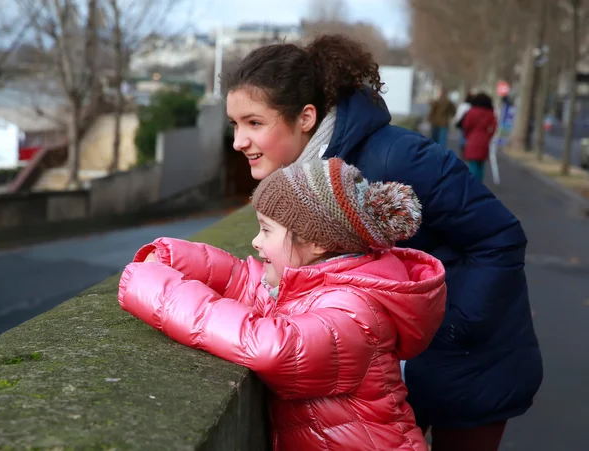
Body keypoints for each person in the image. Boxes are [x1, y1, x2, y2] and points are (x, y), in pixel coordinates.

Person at [225, 34, 543, 451]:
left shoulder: (396, 158)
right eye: (235, 124)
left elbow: (501, 238)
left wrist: (442, 330)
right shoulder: (303, 179)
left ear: (305, 118)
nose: (238, 141)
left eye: (254, 122)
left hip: (471, 365)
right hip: (401, 373)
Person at [118, 158, 447, 451]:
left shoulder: (354, 313)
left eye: (266, 230)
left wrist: (152, 287)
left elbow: (274, 347)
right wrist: (168, 258)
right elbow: (242, 279)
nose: (256, 242)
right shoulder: (321, 283)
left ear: (317, 241)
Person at [462, 92, 497, 182]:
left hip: (472, 138)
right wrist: (489, 136)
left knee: (473, 164)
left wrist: (467, 135)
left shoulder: (471, 111)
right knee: (481, 164)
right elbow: (494, 126)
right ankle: (479, 183)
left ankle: (472, 185)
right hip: (484, 140)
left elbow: (466, 125)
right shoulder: (490, 113)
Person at [453, 92, 475, 157]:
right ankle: (466, 149)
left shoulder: (462, 105)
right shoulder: (473, 106)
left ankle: (462, 149)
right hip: (470, 124)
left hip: (462, 124)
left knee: (462, 136)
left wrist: (456, 121)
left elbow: (458, 114)